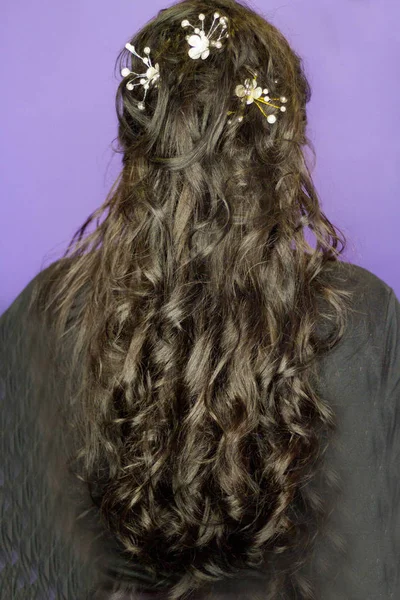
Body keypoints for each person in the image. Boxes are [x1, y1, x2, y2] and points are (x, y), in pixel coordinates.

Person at [1, 0, 399, 598]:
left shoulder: (47, 311)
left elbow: (25, 567)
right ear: (284, 141)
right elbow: (371, 576)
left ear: (138, 136)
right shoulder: (356, 318)